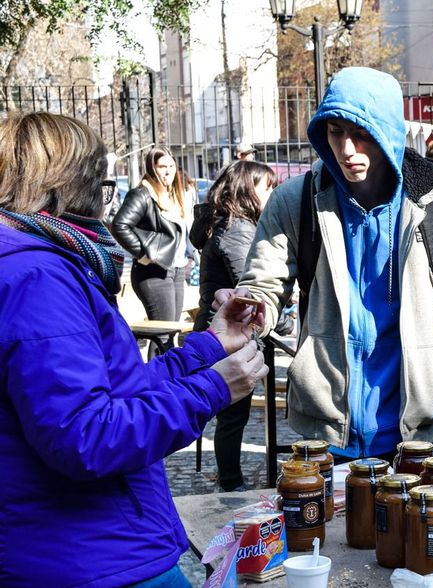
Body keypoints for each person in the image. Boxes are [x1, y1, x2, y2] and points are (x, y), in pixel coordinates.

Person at [0, 112, 267, 587]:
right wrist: (212, 389)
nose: (103, 203)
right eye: (101, 186)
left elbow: (113, 390)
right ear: (63, 187)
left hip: (90, 550)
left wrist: (208, 347)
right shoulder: (36, 277)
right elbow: (85, 436)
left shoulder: (33, 265)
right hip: (90, 558)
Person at [229, 67, 433, 461]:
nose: (347, 149)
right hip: (325, 431)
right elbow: (264, 286)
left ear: (387, 130)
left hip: (419, 432)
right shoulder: (295, 200)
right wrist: (247, 310)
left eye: (361, 134)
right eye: (335, 132)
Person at [190, 160, 289, 491]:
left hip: (219, 331)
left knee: (231, 415)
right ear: (248, 190)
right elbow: (248, 287)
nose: (272, 193)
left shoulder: (228, 224)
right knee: (232, 417)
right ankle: (230, 483)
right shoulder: (237, 229)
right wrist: (283, 317)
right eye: (267, 187)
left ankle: (229, 478)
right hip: (225, 335)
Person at [112, 146, 195, 329]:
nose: (168, 171)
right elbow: (119, 226)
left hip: (177, 269)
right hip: (153, 272)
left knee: (172, 331)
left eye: (171, 166)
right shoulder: (143, 194)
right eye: (162, 166)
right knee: (163, 334)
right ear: (152, 168)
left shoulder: (173, 195)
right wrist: (143, 255)